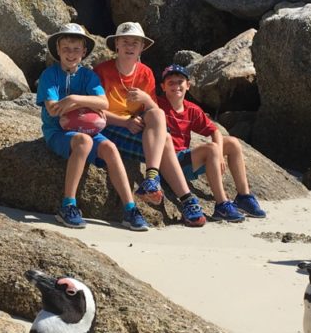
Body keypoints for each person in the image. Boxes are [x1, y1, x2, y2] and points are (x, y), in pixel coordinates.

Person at [36, 23, 150, 232]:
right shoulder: (49, 76)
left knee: (110, 148)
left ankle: (130, 208)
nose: (71, 54)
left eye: (76, 49)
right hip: (58, 133)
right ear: (58, 50)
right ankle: (68, 205)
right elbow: (53, 110)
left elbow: (103, 103)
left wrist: (74, 100)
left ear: (84, 51)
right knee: (84, 141)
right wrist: (85, 105)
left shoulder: (88, 76)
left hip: (87, 129)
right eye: (66, 49)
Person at [94, 22, 207, 227]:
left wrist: (146, 98)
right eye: (125, 41)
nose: (130, 46)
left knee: (157, 116)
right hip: (111, 126)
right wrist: (124, 122)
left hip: (138, 126)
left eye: (135, 43)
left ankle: (152, 179)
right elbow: (95, 111)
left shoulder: (145, 72)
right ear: (116, 44)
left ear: (141, 48)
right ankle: (187, 200)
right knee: (163, 140)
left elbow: (153, 112)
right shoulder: (102, 71)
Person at [157, 63, 267, 221]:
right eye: (170, 83)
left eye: (180, 81)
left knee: (233, 143)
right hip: (169, 163)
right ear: (163, 87)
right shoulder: (158, 105)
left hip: (186, 161)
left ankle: (244, 196)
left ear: (188, 85)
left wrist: (220, 155)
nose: (176, 86)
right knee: (211, 149)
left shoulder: (191, 109)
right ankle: (222, 204)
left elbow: (214, 131)